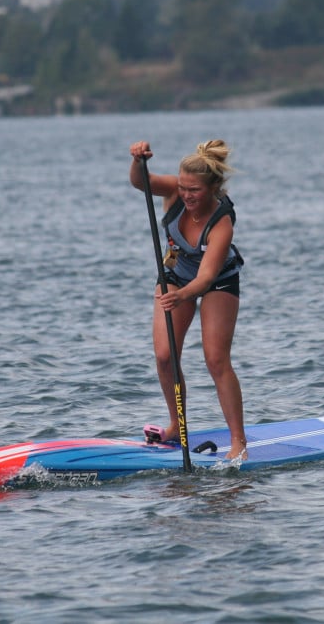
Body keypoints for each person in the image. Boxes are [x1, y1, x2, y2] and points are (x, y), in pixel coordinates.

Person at [129, 139, 247, 460]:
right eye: (182, 187)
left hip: (217, 282)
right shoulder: (176, 190)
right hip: (175, 275)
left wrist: (181, 296)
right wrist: (139, 160)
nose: (186, 195)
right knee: (165, 356)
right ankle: (175, 425)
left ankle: (238, 441)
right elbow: (140, 182)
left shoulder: (221, 223)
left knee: (216, 359)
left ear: (212, 188)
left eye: (194, 190)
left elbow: (207, 277)